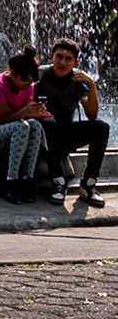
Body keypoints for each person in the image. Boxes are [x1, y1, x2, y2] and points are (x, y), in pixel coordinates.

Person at [35, 37, 108, 207]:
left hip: (64, 135)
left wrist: (92, 85)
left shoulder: (78, 81)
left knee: (101, 127)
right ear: (52, 57)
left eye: (68, 59)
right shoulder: (40, 76)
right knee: (47, 122)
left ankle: (88, 185)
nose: (62, 62)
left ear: (75, 62)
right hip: (42, 138)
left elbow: (91, 114)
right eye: (59, 57)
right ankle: (58, 182)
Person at [0, 45, 46, 204]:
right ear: (13, 74)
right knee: (23, 126)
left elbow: (25, 113)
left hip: (14, 131)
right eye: (24, 80)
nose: (28, 84)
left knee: (35, 125)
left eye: (31, 81)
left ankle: (28, 178)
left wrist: (36, 112)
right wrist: (26, 112)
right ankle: (11, 181)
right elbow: (6, 118)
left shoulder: (28, 87)